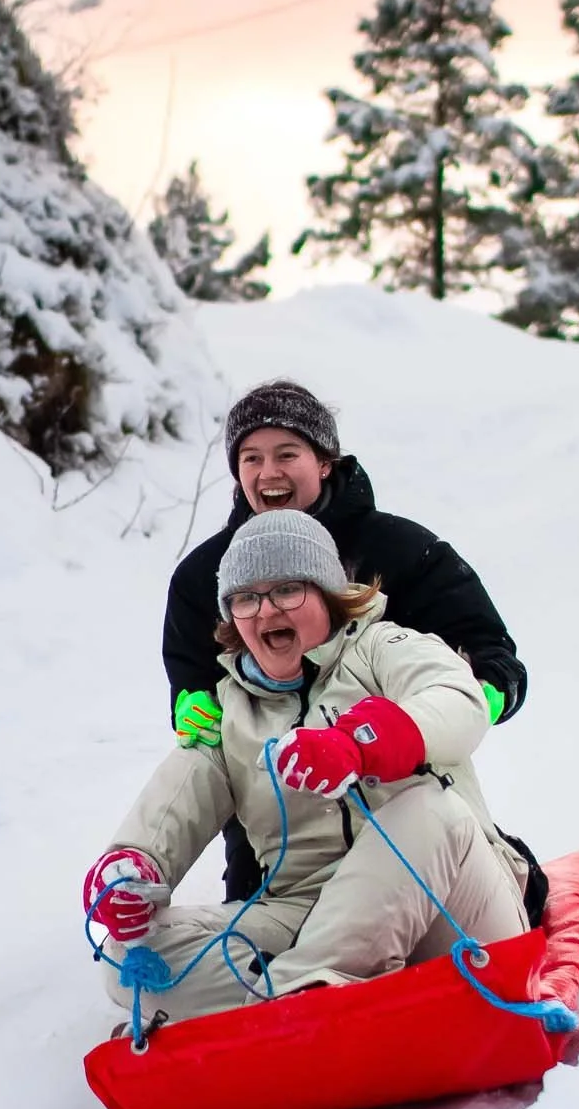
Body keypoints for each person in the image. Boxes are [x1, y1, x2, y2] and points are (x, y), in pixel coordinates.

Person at [87, 510, 532, 1021]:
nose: (265, 610)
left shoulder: (383, 648)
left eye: (287, 590)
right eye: (245, 598)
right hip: (308, 912)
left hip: (448, 907)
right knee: (132, 957)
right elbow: (176, 802)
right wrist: (131, 868)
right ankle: (322, 998)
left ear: (327, 594)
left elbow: (458, 699)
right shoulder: (232, 711)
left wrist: (358, 743)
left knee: (433, 809)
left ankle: (291, 1006)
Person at [164, 379, 526, 899]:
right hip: (277, 816)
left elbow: (492, 652)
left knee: (430, 894)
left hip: (402, 792)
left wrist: (476, 695)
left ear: (324, 462)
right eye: (251, 458)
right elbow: (192, 674)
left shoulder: (403, 551)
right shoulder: (204, 576)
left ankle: (498, 875)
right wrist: (190, 702)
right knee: (261, 916)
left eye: (287, 453)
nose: (268, 472)